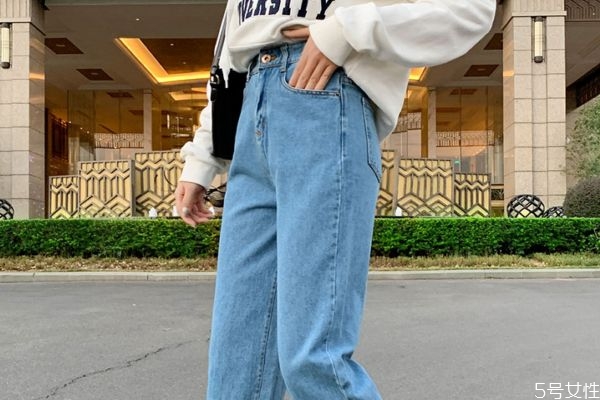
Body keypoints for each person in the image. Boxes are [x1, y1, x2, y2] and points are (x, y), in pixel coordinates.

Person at [175, 1, 496, 398]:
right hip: (250, 111)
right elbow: (228, 53)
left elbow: (471, 9)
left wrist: (345, 31)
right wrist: (202, 159)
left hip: (325, 95)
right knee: (234, 367)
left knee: (313, 359)